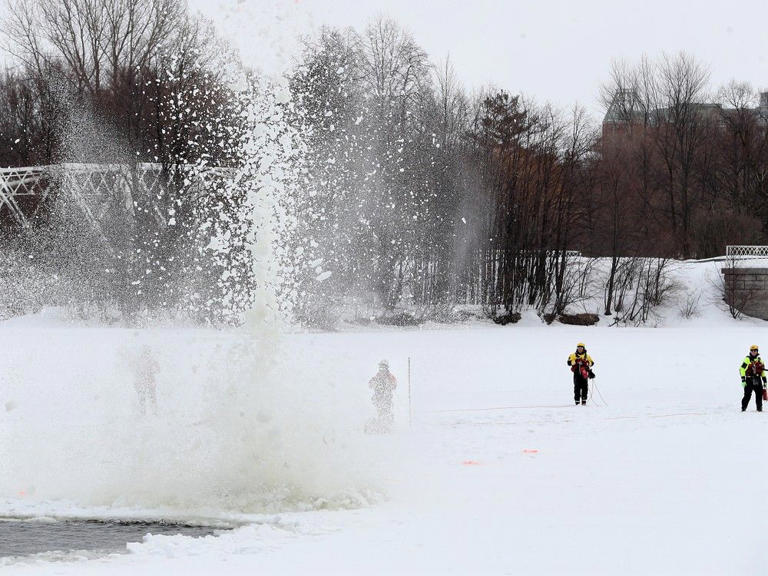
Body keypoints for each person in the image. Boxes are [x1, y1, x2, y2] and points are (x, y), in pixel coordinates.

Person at [369, 359, 397, 425]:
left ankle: (387, 423)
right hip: (378, 398)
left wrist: (390, 384)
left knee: (386, 410)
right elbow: (370, 384)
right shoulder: (377, 376)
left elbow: (394, 385)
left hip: (387, 398)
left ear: (387, 368)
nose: (382, 369)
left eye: (383, 367)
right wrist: (373, 383)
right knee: (380, 411)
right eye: (381, 367)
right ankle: (380, 423)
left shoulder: (390, 377)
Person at [740, 344, 766, 412]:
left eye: (755, 350)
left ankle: (759, 409)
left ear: (757, 351)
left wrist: (765, 382)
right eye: (752, 350)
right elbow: (742, 369)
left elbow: (763, 372)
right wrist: (743, 380)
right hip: (749, 380)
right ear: (750, 351)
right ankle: (743, 408)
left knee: (759, 394)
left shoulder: (760, 360)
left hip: (757, 379)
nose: (753, 352)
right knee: (747, 395)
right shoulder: (747, 359)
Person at [134, 344, 160, 415]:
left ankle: (148, 412)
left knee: (146, 397)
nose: (146, 353)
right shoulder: (149, 360)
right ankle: (150, 412)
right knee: (149, 397)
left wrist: (151, 372)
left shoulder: (147, 360)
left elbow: (158, 369)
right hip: (147, 381)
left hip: (146, 381)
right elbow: (158, 369)